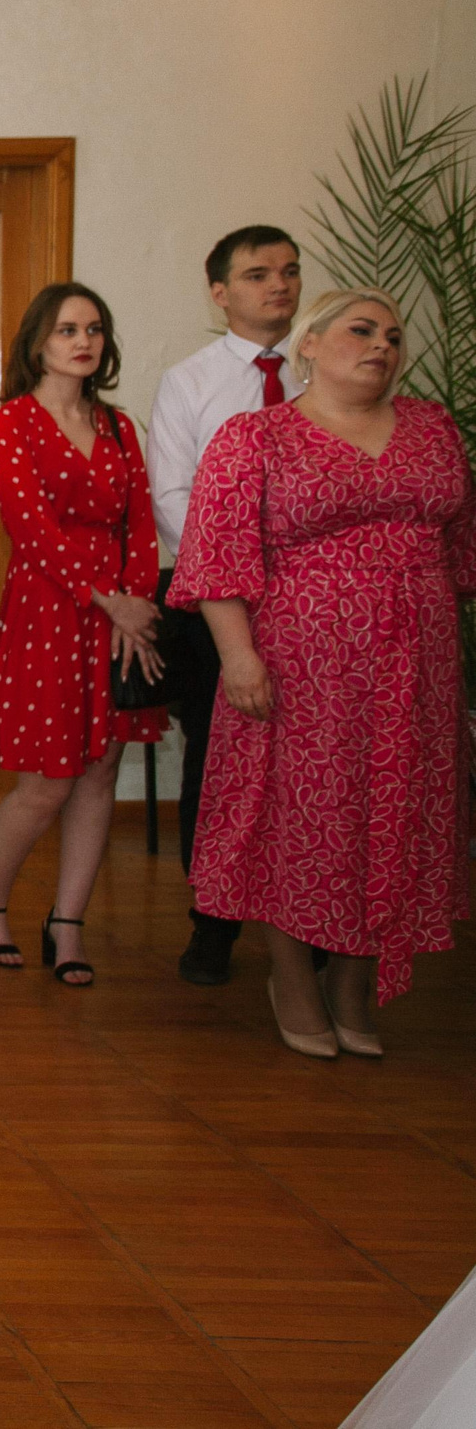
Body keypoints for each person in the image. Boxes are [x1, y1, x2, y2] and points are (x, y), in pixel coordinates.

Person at [171, 290, 475, 1057]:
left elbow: (462, 550)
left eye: (394, 335)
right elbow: (215, 558)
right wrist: (238, 654)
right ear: (309, 344)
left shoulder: (434, 429)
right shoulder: (256, 437)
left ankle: (352, 977)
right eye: (361, 329)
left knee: (396, 809)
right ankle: (293, 976)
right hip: (302, 661)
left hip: (419, 664)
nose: (381, 344)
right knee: (303, 819)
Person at [0, 283, 169, 988]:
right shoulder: (13, 422)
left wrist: (139, 601)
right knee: (46, 782)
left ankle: (68, 922)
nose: (84, 341)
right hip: (51, 609)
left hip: (120, 616)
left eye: (94, 329)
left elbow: (139, 521)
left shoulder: (118, 427)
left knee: (100, 774)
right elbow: (31, 530)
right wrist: (106, 599)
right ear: (37, 343)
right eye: (66, 330)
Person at [147, 226, 306, 986]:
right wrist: (237, 578)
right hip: (220, 604)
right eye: (256, 274)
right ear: (220, 292)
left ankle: (311, 924)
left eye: (288, 272)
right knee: (217, 762)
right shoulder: (191, 381)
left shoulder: (324, 368)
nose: (277, 285)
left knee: (312, 762)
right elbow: (174, 497)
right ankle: (212, 922)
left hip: (318, 609)